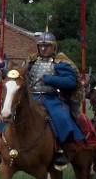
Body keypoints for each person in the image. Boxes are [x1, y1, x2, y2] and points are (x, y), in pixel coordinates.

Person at [24, 31, 85, 170]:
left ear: (53, 47)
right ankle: (4, 148)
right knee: (11, 113)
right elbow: (21, 75)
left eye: (47, 46)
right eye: (41, 46)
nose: (43, 49)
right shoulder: (32, 61)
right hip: (32, 98)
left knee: (61, 117)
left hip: (51, 98)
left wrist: (50, 79)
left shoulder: (60, 62)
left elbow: (70, 81)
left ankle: (61, 150)